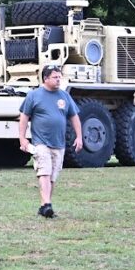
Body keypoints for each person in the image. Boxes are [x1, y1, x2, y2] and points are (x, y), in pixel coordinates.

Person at [18, 65, 83, 219]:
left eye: (59, 76)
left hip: (59, 144)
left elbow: (74, 117)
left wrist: (79, 137)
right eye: (55, 77)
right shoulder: (34, 96)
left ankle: (44, 206)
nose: (58, 79)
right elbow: (23, 118)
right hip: (41, 142)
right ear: (45, 78)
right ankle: (47, 204)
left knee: (53, 176)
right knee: (44, 171)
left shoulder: (64, 96)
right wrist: (22, 138)